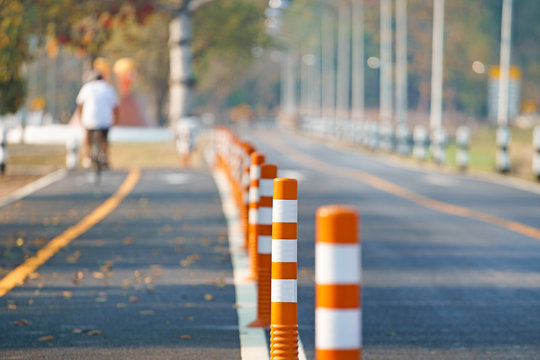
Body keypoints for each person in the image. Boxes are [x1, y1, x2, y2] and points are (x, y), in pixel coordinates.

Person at [76, 70, 119, 168]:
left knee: (87, 135)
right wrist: (116, 120)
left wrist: (80, 118)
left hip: (89, 119)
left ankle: (88, 156)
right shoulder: (108, 88)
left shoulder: (87, 88)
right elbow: (115, 107)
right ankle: (104, 155)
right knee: (104, 138)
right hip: (105, 120)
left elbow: (80, 105)